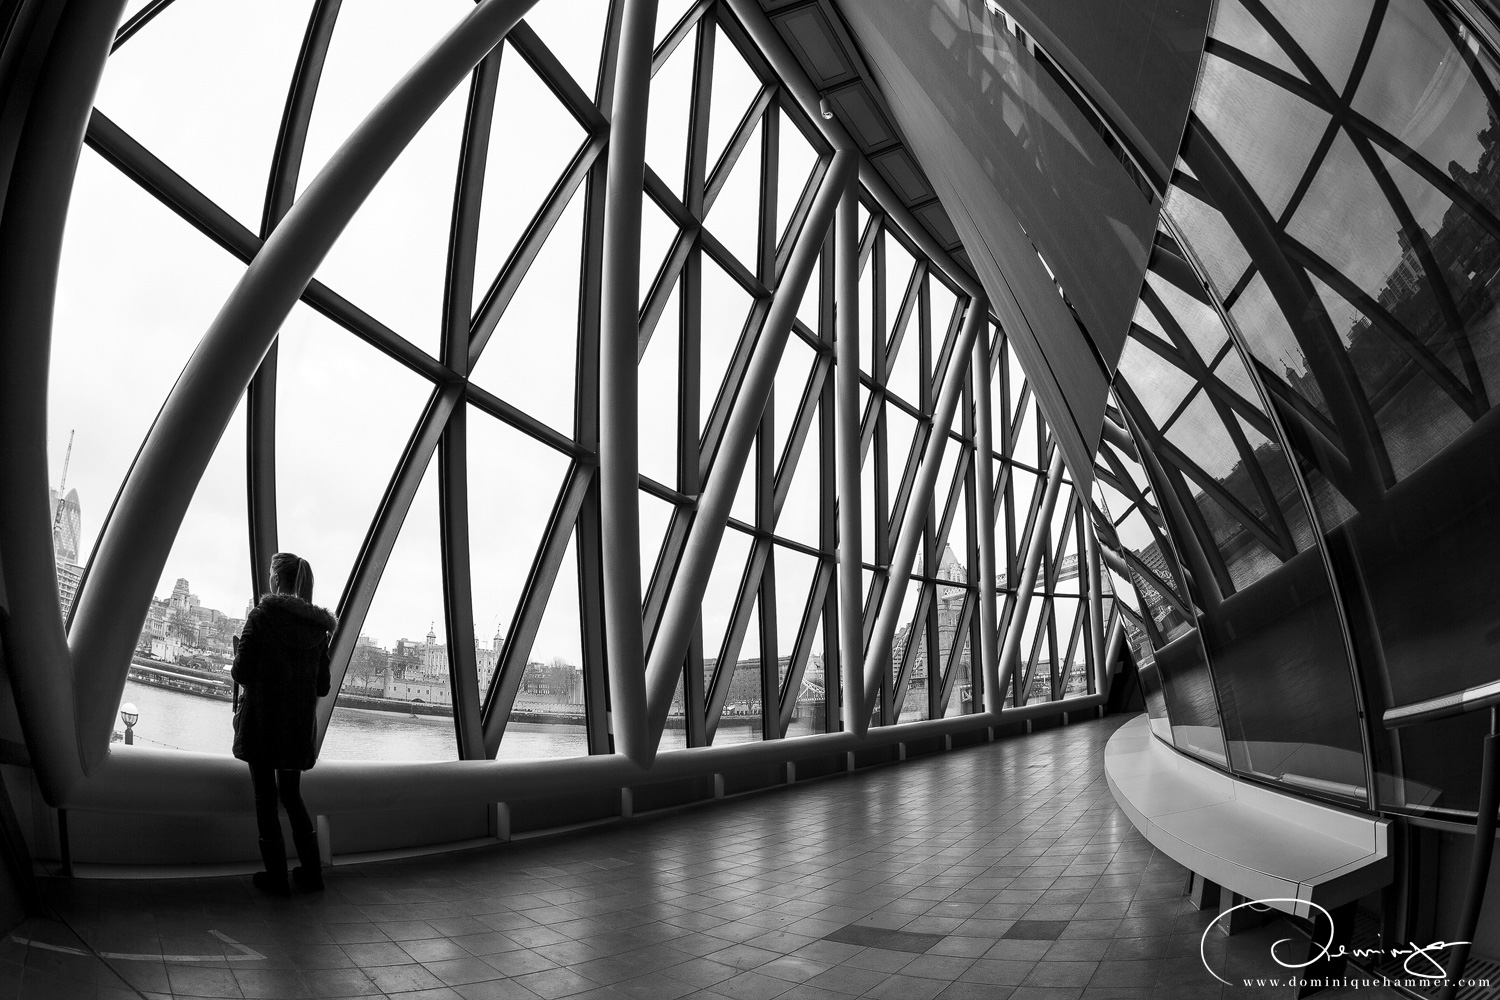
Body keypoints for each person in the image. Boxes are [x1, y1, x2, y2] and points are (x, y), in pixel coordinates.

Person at [232, 552, 336, 895]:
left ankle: (276, 877)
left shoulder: (262, 617)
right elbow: (322, 686)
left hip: (263, 724)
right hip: (296, 730)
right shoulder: (318, 629)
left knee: (265, 798)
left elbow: (241, 672)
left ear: (277, 580)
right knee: (291, 795)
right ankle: (312, 873)